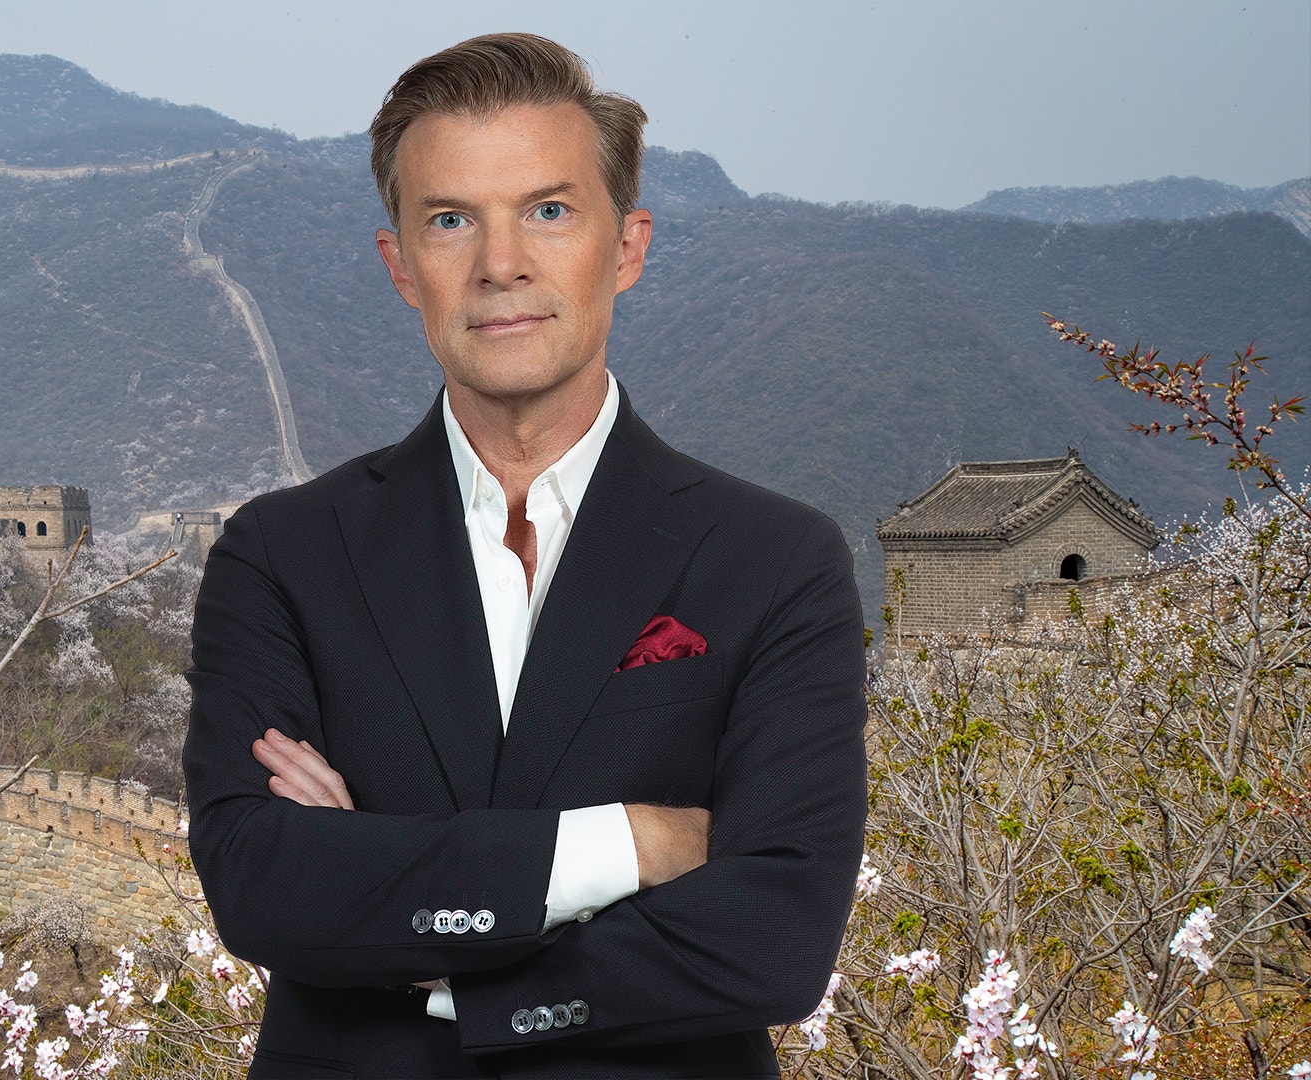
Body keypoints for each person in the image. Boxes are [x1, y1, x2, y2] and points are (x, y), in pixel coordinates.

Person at [183, 33, 867, 1076]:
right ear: (401, 265)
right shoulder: (283, 555)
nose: (500, 264)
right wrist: (633, 843)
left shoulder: (773, 560)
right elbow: (261, 885)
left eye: (548, 211)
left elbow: (775, 939)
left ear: (626, 247)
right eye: (451, 220)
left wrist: (400, 919)